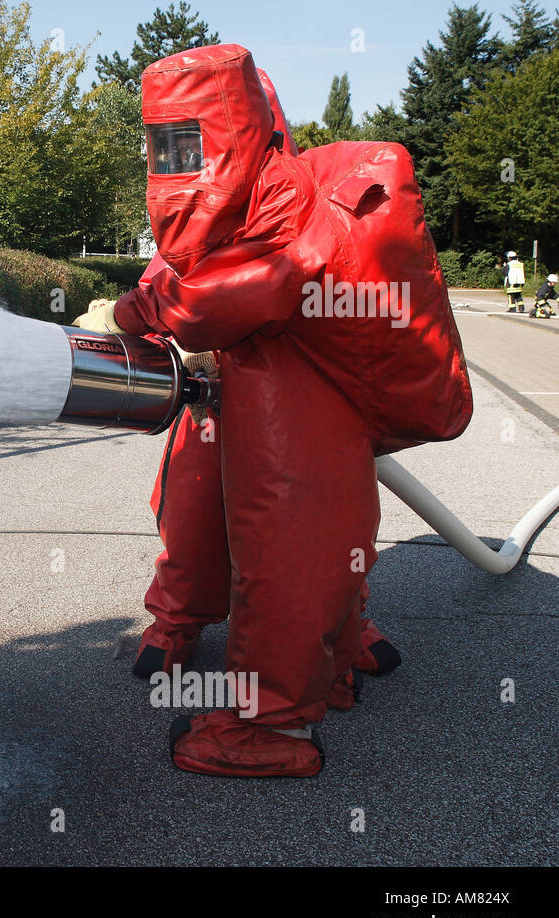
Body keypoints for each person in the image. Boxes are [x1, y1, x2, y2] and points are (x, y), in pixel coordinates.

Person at [78, 44, 471, 777]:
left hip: (298, 396)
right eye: (163, 146)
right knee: (221, 511)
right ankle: (233, 636)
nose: (172, 165)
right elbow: (199, 272)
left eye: (185, 142)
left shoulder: (281, 213)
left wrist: (132, 311)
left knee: (292, 551)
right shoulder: (258, 201)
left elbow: (207, 302)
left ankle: (273, 728)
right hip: (270, 387)